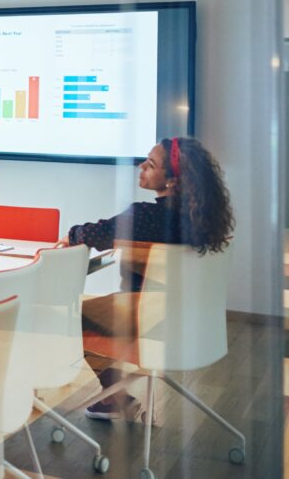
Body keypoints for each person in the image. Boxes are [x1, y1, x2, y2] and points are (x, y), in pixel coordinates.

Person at [64, 137, 234, 422]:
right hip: (194, 322)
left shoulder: (144, 216)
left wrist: (71, 234)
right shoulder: (203, 222)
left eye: (151, 164)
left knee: (71, 318)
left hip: (148, 318)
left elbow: (90, 233)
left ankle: (114, 395)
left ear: (172, 181)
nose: (141, 166)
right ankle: (114, 396)